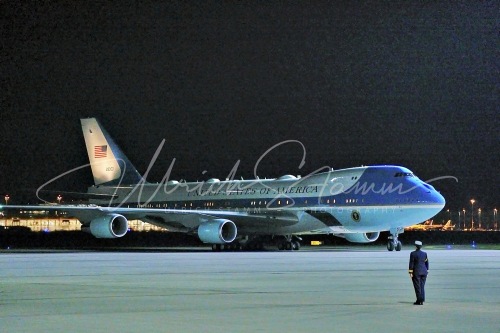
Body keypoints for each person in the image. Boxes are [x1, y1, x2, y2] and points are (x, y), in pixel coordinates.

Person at [408, 240, 429, 305]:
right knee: (422, 286)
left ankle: (418, 300)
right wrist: (427, 271)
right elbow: (426, 263)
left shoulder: (413, 253)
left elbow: (411, 263)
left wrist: (410, 272)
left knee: (417, 286)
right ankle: (422, 300)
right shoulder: (424, 253)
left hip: (416, 272)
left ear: (415, 246)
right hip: (424, 272)